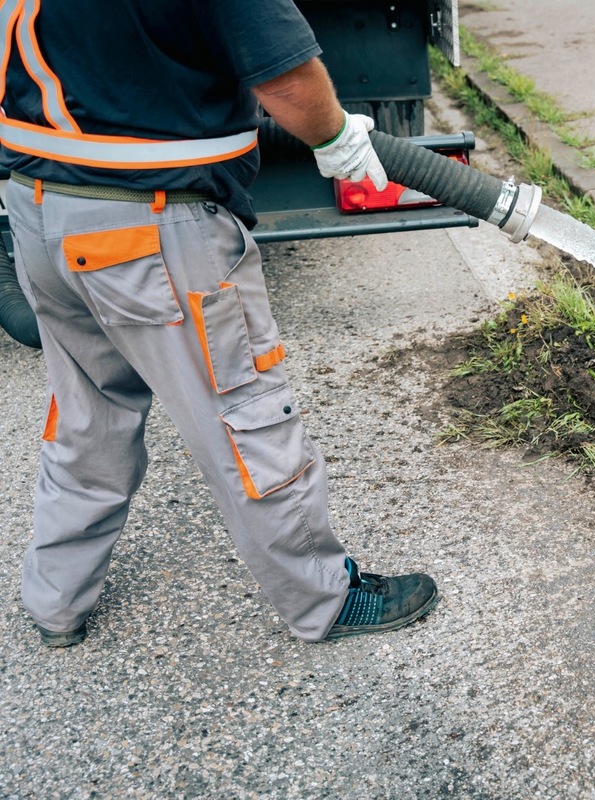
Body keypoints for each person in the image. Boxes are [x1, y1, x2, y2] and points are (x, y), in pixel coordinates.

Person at [0, 0, 438, 646]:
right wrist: (336, 136)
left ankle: (55, 600)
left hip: (40, 209)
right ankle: (324, 597)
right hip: (148, 223)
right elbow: (285, 78)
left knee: (88, 413)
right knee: (243, 414)